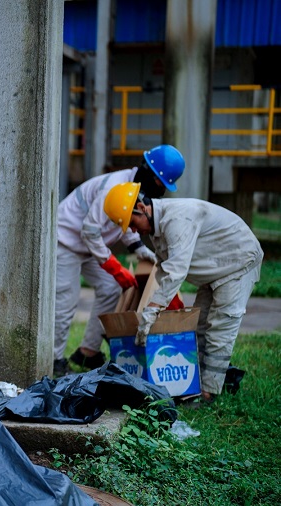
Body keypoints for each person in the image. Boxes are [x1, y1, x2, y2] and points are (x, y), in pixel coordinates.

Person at [103, 182, 263, 402]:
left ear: (142, 207)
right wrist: (149, 308)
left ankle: (208, 393)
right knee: (200, 326)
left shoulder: (177, 219)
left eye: (131, 223)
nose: (132, 230)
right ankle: (201, 383)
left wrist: (152, 311)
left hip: (238, 261)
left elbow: (177, 269)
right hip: (215, 268)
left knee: (220, 326)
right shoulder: (157, 228)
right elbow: (165, 269)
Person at [53, 145, 185, 377]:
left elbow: (122, 220)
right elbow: (90, 231)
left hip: (91, 245)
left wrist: (139, 249)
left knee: (110, 287)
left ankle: (87, 352)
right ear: (153, 177)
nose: (161, 193)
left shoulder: (136, 190)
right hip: (66, 240)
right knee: (66, 300)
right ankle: (54, 360)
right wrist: (114, 267)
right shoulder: (115, 187)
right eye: (161, 186)